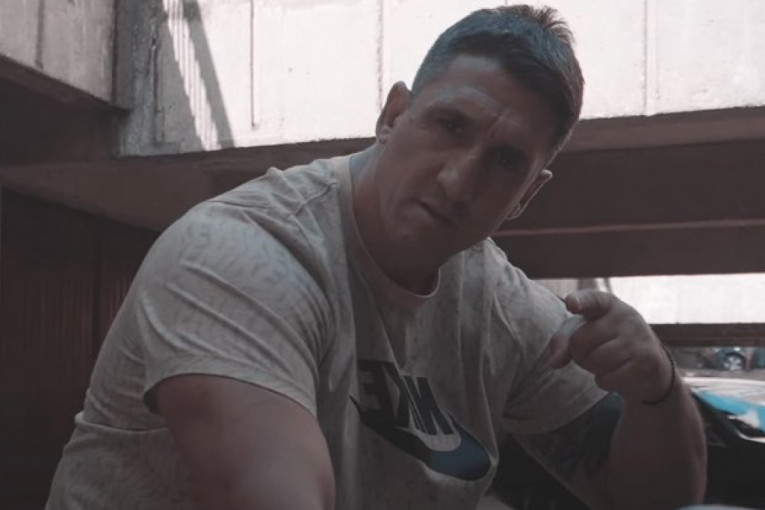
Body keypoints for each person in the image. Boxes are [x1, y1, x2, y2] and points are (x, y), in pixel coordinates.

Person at [46, 5, 706, 510]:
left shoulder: (502, 308)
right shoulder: (238, 255)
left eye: (505, 162)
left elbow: (652, 494)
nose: (458, 181)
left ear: (526, 196)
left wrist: (655, 388)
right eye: (450, 126)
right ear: (393, 115)